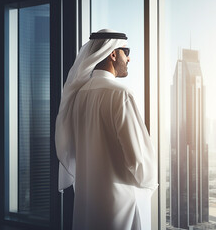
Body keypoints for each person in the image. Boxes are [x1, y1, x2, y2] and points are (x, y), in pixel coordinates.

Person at [55, 29, 158, 230]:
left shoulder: (78, 95)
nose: (129, 58)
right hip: (121, 207)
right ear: (112, 53)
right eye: (126, 52)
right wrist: (151, 182)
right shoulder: (121, 94)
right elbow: (138, 160)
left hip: (87, 203)